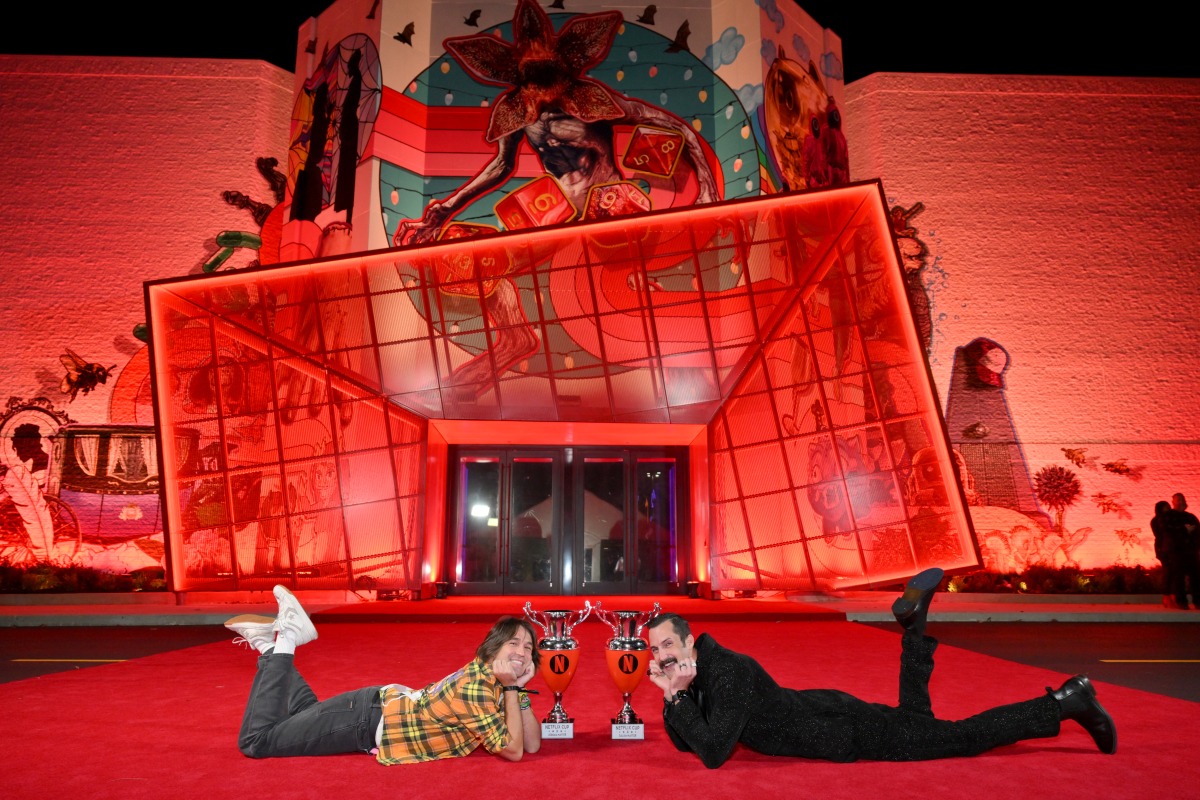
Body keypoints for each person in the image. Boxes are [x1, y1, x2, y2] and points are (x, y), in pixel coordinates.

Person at [646, 567, 1116, 768]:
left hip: (845, 731)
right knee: (920, 722)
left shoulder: (727, 671)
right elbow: (688, 743)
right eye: (654, 649)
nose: (661, 655)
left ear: (689, 640)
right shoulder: (695, 670)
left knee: (961, 738)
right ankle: (914, 628)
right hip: (829, 713)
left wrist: (676, 695)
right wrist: (674, 694)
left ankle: (1064, 703)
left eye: (668, 644)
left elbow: (713, 753)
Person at [224, 585, 541, 763]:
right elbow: (514, 752)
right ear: (493, 648)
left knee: (305, 714)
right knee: (257, 741)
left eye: (528, 647)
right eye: (513, 643)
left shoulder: (494, 681)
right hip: (363, 721)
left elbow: (532, 745)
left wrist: (519, 690)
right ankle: (288, 637)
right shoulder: (479, 688)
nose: (522, 652)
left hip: (369, 710)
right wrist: (512, 689)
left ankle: (267, 646)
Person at [1170, 493, 1200, 608]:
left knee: (1196, 576)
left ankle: (1197, 600)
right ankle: (1181, 601)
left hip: (1191, 551)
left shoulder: (1190, 517)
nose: (1180, 502)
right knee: (1179, 577)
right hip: (1177, 551)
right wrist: (1184, 530)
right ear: (1173, 502)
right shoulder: (1169, 517)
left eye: (1182, 500)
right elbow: (1168, 532)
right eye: (1178, 500)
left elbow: (1198, 531)